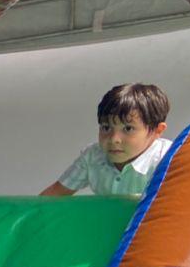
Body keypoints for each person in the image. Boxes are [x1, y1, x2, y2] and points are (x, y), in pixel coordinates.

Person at [41, 83, 172, 199]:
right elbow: (52, 196)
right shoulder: (93, 157)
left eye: (128, 128)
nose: (114, 139)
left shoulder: (169, 159)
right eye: (106, 128)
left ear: (157, 131)